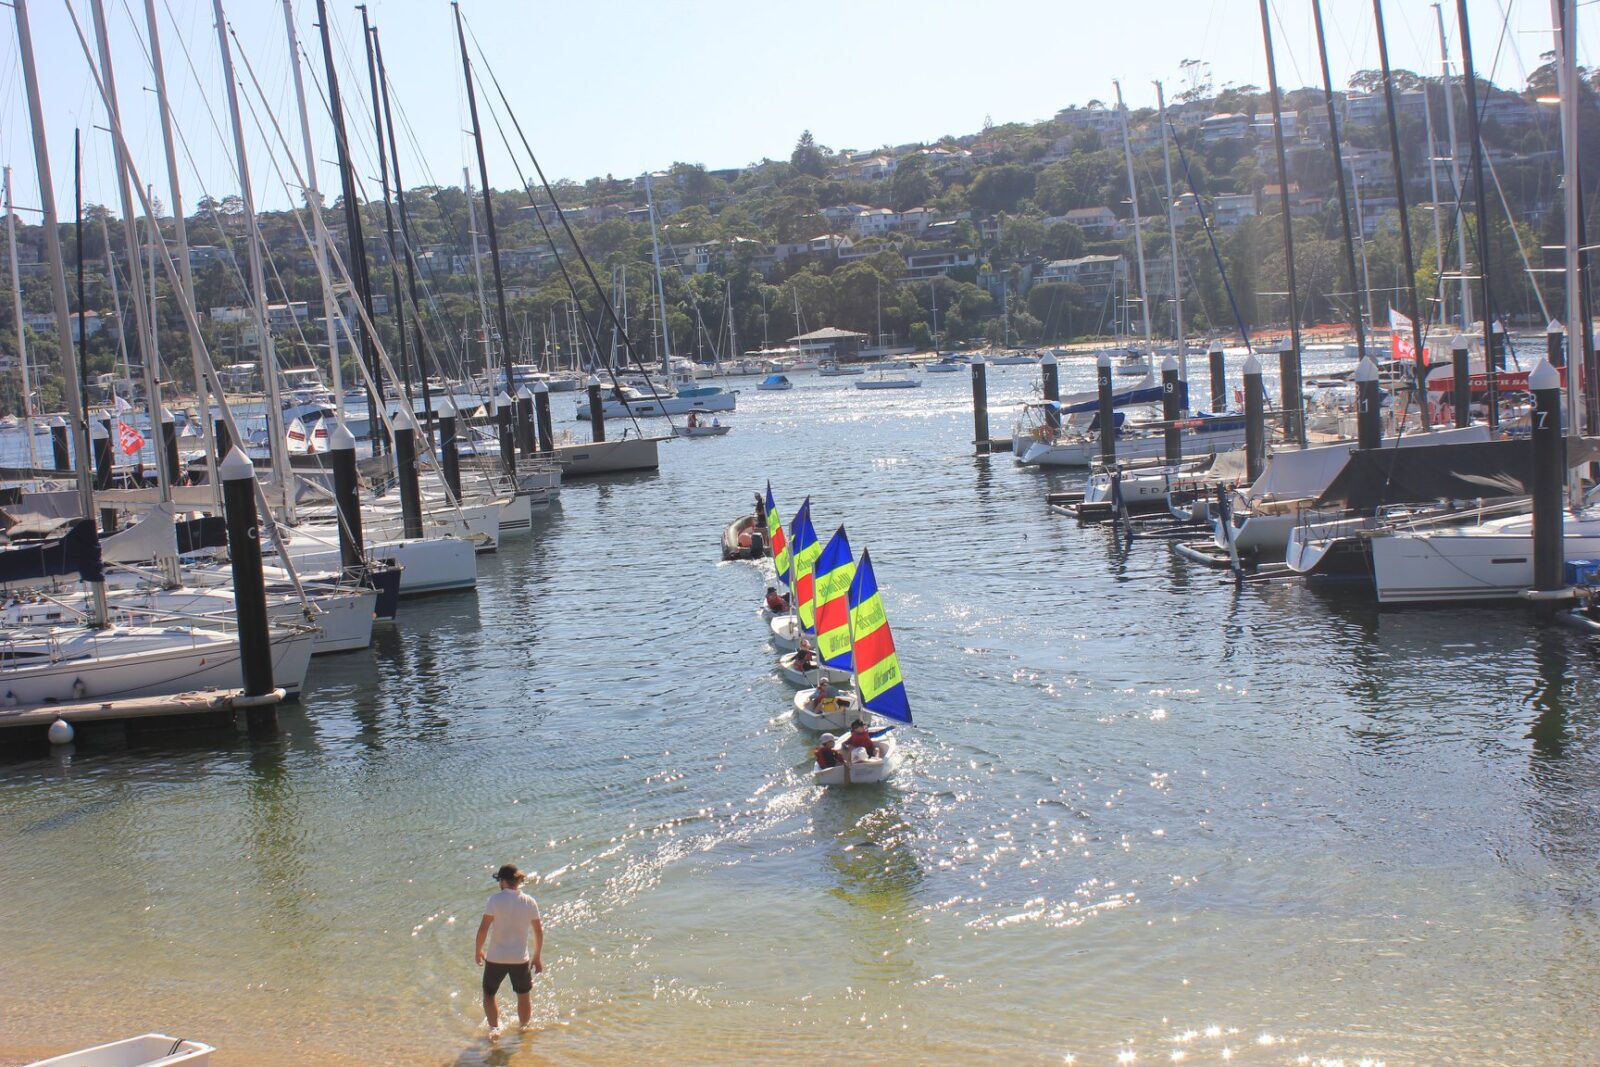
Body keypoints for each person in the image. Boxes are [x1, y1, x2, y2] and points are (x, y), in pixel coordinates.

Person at [475, 864, 544, 1039]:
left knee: (489, 994)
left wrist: (478, 950)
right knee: (523, 995)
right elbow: (538, 931)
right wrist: (537, 957)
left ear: (503, 881)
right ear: (518, 881)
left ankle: (494, 1029)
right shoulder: (529, 901)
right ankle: (524, 1028)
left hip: (496, 957)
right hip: (520, 959)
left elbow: (483, 928)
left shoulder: (494, 900)